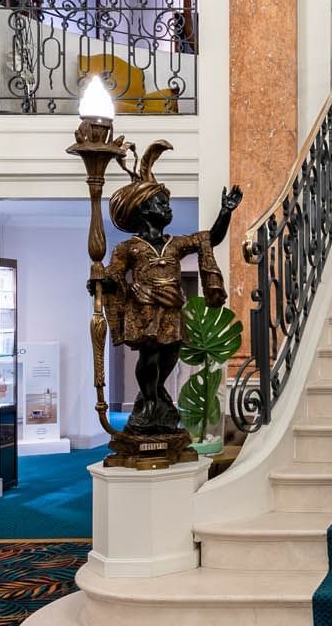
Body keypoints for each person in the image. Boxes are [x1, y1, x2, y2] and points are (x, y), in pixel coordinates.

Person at [94, 142, 241, 437]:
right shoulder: (129, 247)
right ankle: (149, 401)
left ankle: (158, 395)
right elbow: (113, 274)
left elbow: (209, 238)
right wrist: (102, 281)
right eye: (161, 202)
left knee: (170, 355)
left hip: (172, 306)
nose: (167, 207)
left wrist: (225, 213)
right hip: (145, 308)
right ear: (145, 209)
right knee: (149, 356)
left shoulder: (176, 243)